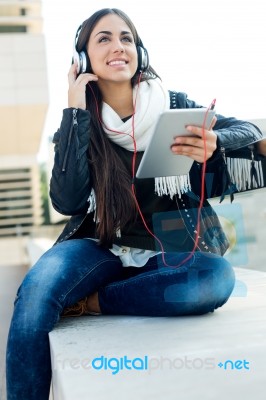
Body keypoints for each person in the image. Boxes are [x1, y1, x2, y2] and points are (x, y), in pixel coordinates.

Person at [6, 8, 265, 400]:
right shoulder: (79, 122)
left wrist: (216, 143)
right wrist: (74, 110)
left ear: (139, 52)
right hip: (97, 247)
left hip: (165, 250)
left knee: (216, 279)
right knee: (35, 291)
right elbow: (66, 199)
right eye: (104, 39)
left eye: (126, 38)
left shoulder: (173, 104)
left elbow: (251, 130)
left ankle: (95, 300)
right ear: (83, 59)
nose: (118, 46)